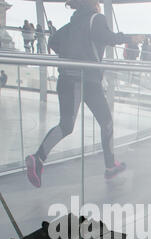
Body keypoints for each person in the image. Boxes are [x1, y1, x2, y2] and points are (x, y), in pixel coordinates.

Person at [26, 0, 134, 188]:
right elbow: (108, 37)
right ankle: (109, 166)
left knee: (66, 125)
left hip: (66, 79)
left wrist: (71, 56)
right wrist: (131, 39)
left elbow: (53, 42)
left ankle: (38, 158)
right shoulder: (96, 18)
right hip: (87, 81)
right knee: (106, 122)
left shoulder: (71, 24)